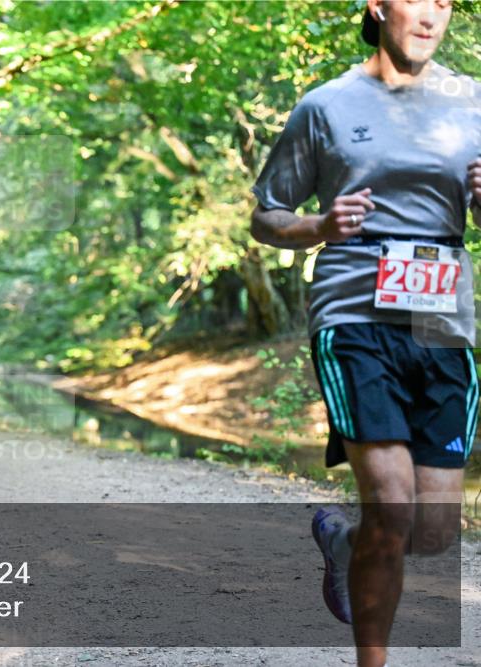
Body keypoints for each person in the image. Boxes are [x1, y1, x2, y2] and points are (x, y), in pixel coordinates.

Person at [249, 3, 479, 666]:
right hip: (353, 312)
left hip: (440, 315)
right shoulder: (325, 106)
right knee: (394, 505)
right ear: (378, 6)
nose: (435, 12)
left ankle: (346, 540)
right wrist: (320, 226)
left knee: (432, 529)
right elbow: (267, 217)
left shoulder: (473, 102)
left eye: (446, 0)